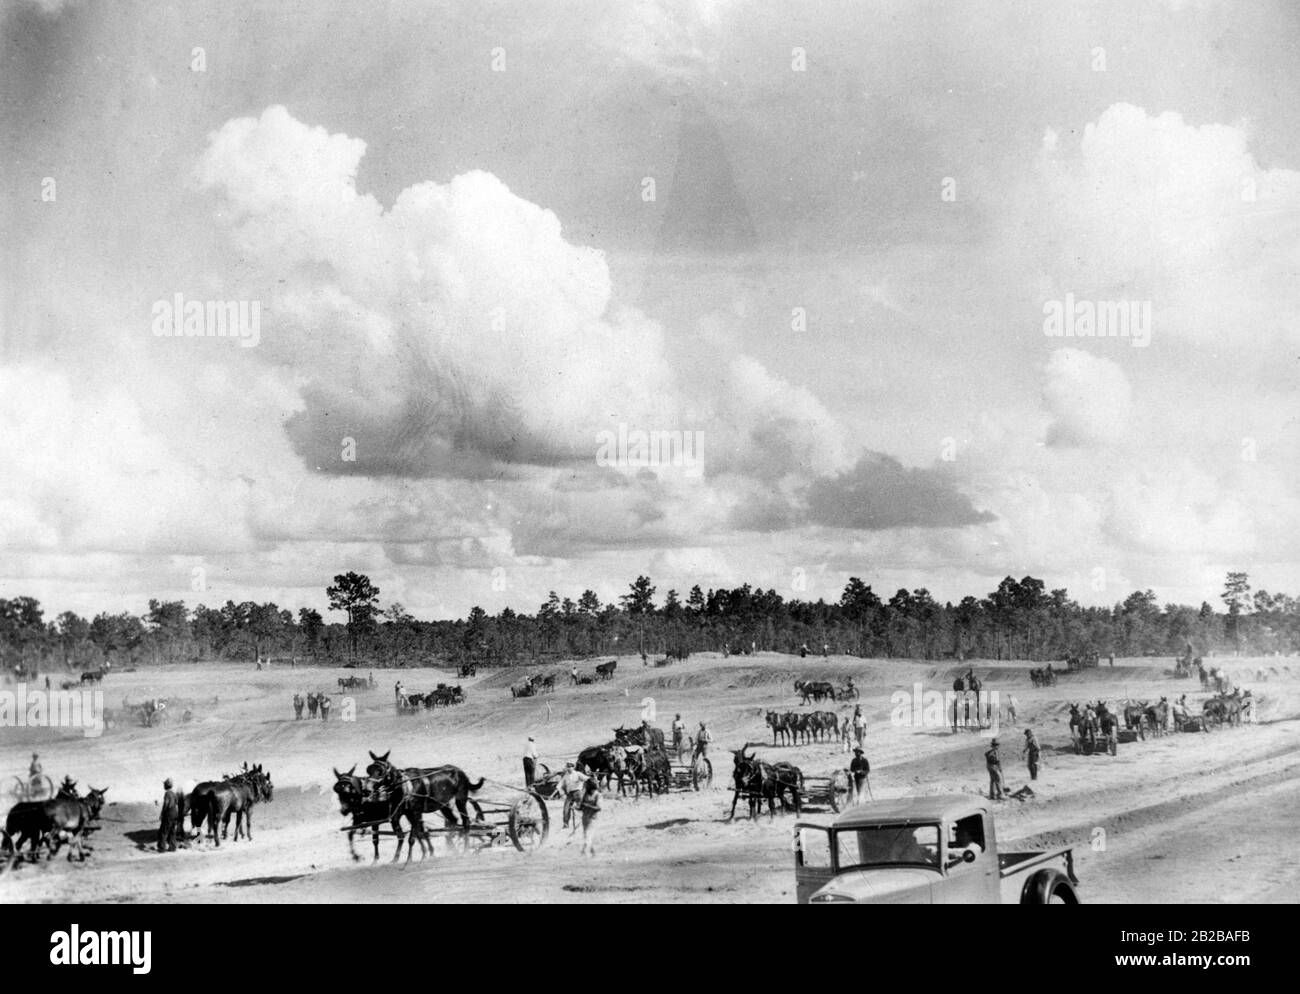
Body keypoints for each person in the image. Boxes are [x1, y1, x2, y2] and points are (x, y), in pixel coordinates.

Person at [558, 762, 587, 829]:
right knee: (566, 809)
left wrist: (592, 779)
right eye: (568, 767)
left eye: (570, 767)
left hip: (577, 792)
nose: (569, 769)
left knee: (582, 807)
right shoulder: (566, 776)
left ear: (573, 767)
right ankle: (565, 824)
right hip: (570, 794)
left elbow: (586, 779)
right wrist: (561, 793)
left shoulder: (578, 774)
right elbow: (559, 785)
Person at [579, 778, 602, 857]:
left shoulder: (598, 795)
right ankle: (593, 853)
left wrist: (587, 806)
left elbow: (599, 808)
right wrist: (577, 807)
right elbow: (581, 805)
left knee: (588, 835)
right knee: (587, 835)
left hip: (593, 818)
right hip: (585, 818)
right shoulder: (586, 794)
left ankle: (583, 852)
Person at [158, 778, 180, 852]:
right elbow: (177, 803)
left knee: (163, 831)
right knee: (172, 831)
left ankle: (162, 848)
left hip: (168, 814)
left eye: (164, 784)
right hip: (175, 814)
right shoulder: (174, 793)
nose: (163, 785)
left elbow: (166, 804)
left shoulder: (167, 793)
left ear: (166, 785)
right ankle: (173, 847)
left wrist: (162, 814)